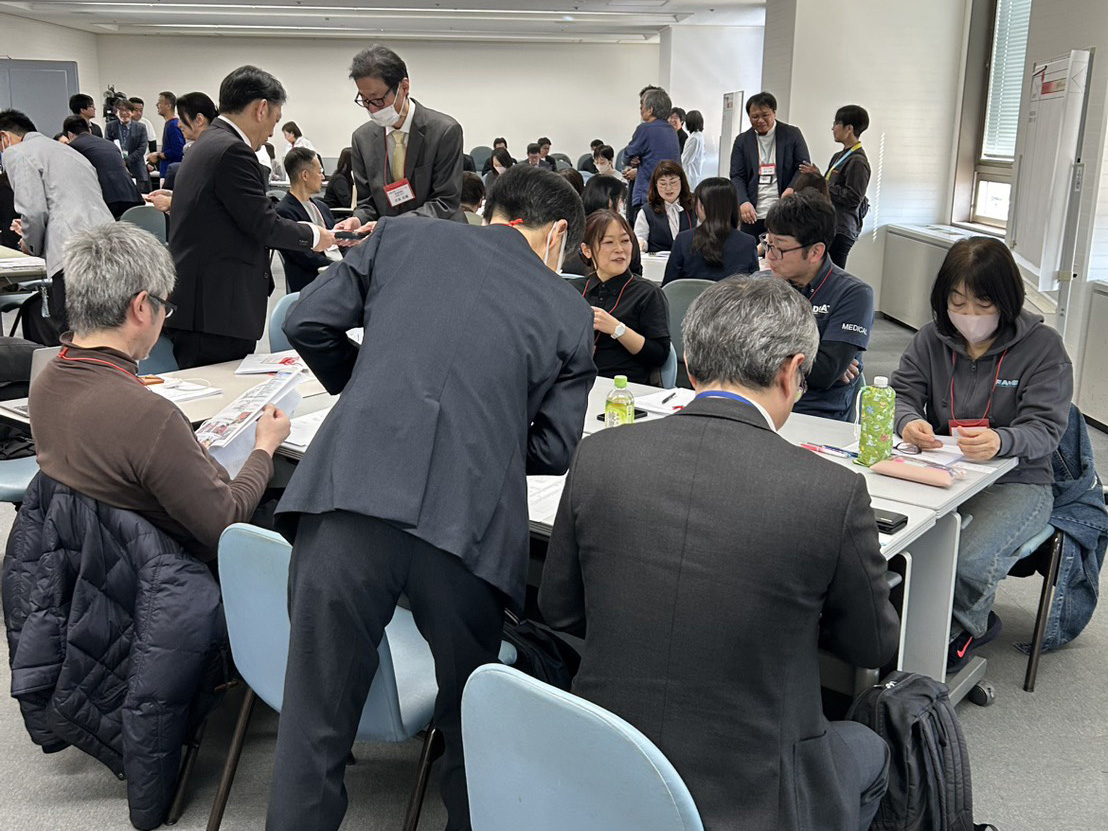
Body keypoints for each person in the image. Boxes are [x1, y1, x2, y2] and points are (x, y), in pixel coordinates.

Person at [265, 163, 595, 831]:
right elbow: (557, 449)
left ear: (492, 208)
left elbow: (306, 322)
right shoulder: (569, 310)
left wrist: (369, 390)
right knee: (469, 725)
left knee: (313, 726)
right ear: (559, 233)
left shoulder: (399, 237)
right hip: (466, 531)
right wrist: (485, 439)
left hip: (348, 497)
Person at [540, 275, 898, 831]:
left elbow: (560, 610)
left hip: (613, 759)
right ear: (791, 372)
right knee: (873, 752)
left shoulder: (599, 455)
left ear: (691, 367)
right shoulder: (831, 492)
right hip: (757, 788)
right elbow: (871, 645)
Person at [29, 221, 291, 560]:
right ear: (141, 306)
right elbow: (226, 522)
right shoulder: (150, 417)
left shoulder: (46, 381)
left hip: (95, 563)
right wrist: (264, 448)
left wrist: (179, 453)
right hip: (171, 570)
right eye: (164, 307)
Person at [890, 237, 1073, 672]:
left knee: (967, 558)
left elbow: (1046, 429)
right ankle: (897, 629)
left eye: (982, 304)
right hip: (943, 469)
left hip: (1019, 481)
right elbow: (902, 394)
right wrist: (908, 422)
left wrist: (1003, 441)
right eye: (957, 302)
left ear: (1006, 300)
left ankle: (963, 629)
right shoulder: (931, 339)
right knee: (896, 538)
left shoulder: (1044, 348)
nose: (969, 315)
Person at [165, 65, 335, 368]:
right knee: (218, 392)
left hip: (202, 304)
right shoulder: (233, 151)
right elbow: (264, 224)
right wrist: (314, 236)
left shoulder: (207, 143)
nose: (272, 132)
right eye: (275, 120)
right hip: (215, 311)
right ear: (261, 109)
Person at [0, 109, 114, 345]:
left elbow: (34, 211)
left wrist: (29, 243)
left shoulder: (16, 152)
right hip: (108, 242)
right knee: (103, 327)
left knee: (73, 332)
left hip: (71, 250)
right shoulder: (69, 151)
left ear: (4, 137)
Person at [757, 191, 873, 421]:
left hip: (815, 413)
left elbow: (823, 373)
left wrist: (760, 346)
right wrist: (807, 358)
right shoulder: (760, 283)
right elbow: (728, 350)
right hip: (760, 404)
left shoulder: (853, 294)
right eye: (767, 244)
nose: (770, 257)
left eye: (779, 248)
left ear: (815, 252)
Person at [336, 44, 465, 240]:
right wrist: (358, 220)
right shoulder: (362, 139)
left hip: (438, 237)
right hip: (390, 241)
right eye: (364, 100)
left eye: (377, 99)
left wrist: (391, 226)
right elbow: (367, 204)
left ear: (404, 87)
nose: (372, 109)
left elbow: (445, 202)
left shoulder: (444, 132)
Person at [570, 209, 669, 384]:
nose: (619, 249)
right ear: (586, 250)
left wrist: (617, 329)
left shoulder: (647, 293)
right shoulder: (573, 290)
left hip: (624, 388)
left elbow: (659, 355)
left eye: (625, 241)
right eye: (609, 242)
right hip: (574, 383)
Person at [730, 91, 810, 238]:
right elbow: (736, 176)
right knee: (750, 250)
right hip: (752, 213)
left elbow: (803, 167)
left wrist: (791, 188)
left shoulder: (792, 134)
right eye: (755, 117)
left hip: (784, 210)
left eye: (765, 115)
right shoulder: (742, 140)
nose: (760, 120)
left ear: (774, 112)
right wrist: (743, 201)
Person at [800, 104, 871, 268]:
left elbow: (853, 198)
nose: (833, 128)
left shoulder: (858, 161)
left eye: (836, 124)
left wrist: (822, 181)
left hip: (841, 229)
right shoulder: (839, 156)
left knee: (831, 276)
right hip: (829, 224)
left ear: (849, 128)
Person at [663, 177, 758, 285]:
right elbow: (753, 288)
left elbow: (669, 287)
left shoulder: (683, 240)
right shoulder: (748, 243)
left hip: (692, 297)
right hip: (731, 297)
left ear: (702, 207)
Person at [275, 147, 342, 292]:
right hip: (313, 282)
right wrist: (341, 266)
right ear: (305, 175)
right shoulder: (284, 213)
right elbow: (304, 257)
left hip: (336, 274)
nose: (323, 177)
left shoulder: (321, 207)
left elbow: (335, 241)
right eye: (320, 172)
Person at [63, 115, 143, 219]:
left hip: (106, 199)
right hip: (132, 196)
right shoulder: (110, 145)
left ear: (69, 135)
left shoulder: (72, 148)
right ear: (89, 131)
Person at [562, 175, 642, 277]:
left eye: (624, 241)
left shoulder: (567, 228)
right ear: (610, 201)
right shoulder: (622, 230)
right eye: (621, 199)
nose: (622, 205)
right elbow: (635, 270)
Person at [623, 86, 681, 226]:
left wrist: (633, 160)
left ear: (650, 110)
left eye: (642, 105)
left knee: (640, 233)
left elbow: (627, 155)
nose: (640, 109)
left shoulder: (645, 129)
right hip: (668, 194)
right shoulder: (672, 131)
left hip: (647, 195)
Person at [633, 160, 696, 254]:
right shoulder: (647, 211)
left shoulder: (695, 206)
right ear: (656, 185)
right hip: (658, 261)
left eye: (673, 182)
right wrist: (640, 243)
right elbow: (640, 237)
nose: (668, 188)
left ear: (682, 182)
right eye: (663, 184)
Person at [105, 98, 151, 193]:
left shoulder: (141, 127)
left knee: (139, 196)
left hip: (137, 169)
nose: (124, 113)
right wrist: (119, 160)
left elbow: (142, 148)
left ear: (132, 112)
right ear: (116, 112)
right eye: (121, 110)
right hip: (117, 168)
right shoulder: (110, 126)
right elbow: (108, 145)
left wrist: (127, 160)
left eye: (127, 110)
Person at [146, 91, 185, 180]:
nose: (157, 105)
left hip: (171, 175)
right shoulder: (170, 124)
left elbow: (177, 152)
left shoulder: (173, 126)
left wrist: (157, 155)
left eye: (160, 102)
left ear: (168, 106)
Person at [681, 109, 706, 187]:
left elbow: (685, 159)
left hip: (689, 176)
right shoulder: (699, 136)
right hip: (694, 175)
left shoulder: (694, 138)